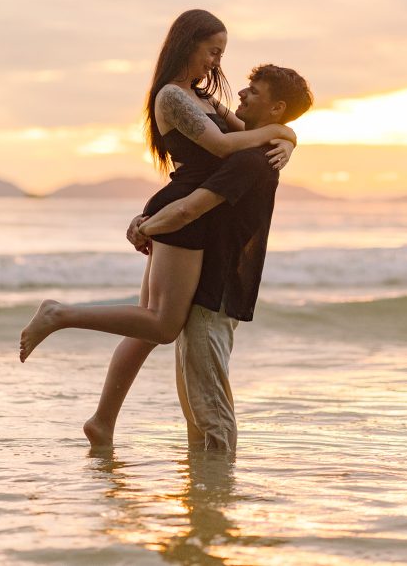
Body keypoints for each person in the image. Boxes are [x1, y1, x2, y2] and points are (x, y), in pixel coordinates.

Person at [18, 10, 296, 362]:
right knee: (162, 326)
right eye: (213, 51)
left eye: (221, 54)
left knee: (146, 325)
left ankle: (103, 419)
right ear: (186, 45)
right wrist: (279, 132)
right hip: (183, 207)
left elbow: (247, 134)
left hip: (185, 204)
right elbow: (225, 146)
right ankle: (60, 315)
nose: (216, 63)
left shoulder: (204, 98)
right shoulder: (173, 97)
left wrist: (288, 139)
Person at [83, 64, 314, 450]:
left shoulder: (249, 159)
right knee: (197, 407)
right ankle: (202, 498)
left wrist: (145, 228)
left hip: (215, 293)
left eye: (254, 91)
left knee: (211, 415)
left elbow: (190, 209)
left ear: (277, 108)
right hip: (209, 290)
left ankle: (217, 497)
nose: (240, 93)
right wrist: (286, 135)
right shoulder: (254, 148)